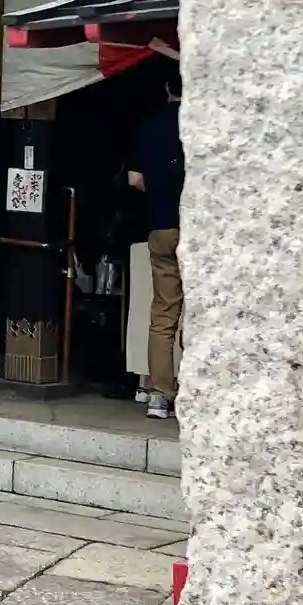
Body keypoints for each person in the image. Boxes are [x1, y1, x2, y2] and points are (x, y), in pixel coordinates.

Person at [124, 67, 183, 419]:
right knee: (204, 312)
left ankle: (159, 395)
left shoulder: (148, 125)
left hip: (161, 226)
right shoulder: (202, 121)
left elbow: (134, 179)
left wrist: (160, 193)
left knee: (163, 314)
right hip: (198, 228)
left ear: (165, 87)